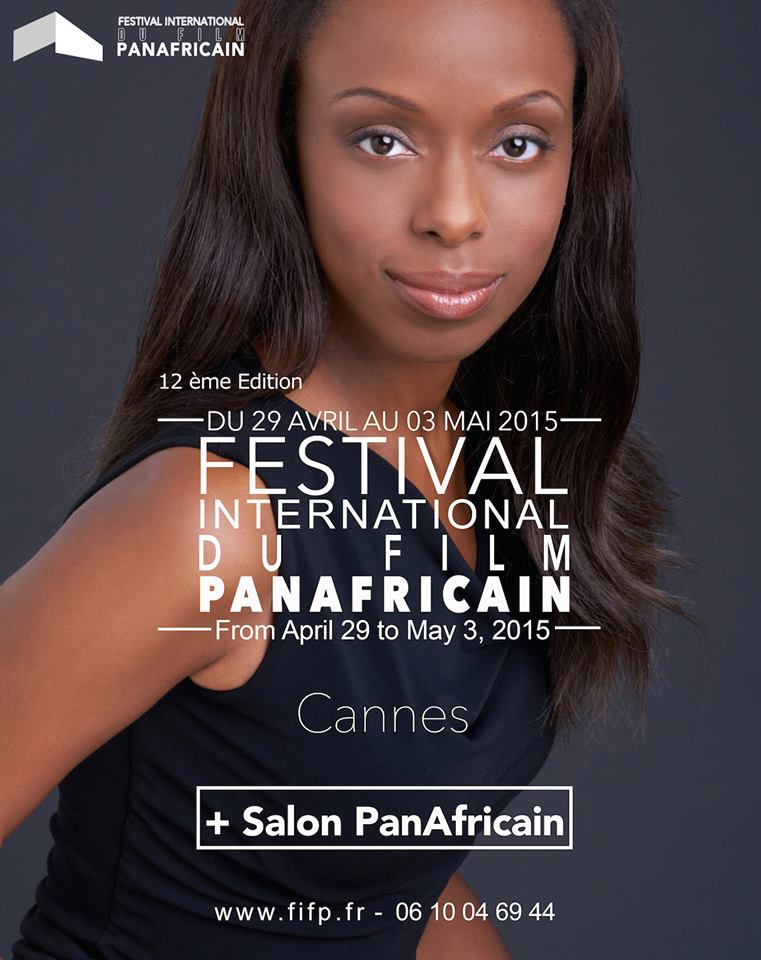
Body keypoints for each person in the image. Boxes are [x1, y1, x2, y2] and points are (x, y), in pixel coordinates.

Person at [2, 0, 683, 956]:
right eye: (381, 139)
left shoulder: (489, 454)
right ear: (282, 146)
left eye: (518, 143)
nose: (454, 214)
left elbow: (386, 875)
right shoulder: (214, 515)